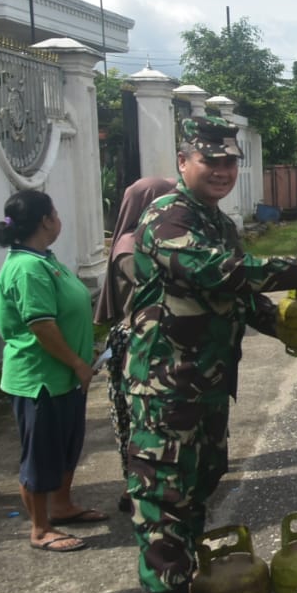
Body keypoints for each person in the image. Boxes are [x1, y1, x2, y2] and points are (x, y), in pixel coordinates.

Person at [124, 116, 297, 593]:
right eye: (209, 160)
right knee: (165, 497)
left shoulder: (217, 222)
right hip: (163, 388)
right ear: (183, 162)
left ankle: (186, 589)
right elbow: (216, 272)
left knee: (197, 488)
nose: (221, 170)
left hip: (206, 383)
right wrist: (294, 270)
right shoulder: (168, 217)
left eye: (229, 162)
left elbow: (240, 298)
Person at [0, 190, 104, 554]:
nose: (59, 219)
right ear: (45, 220)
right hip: (40, 378)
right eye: (55, 213)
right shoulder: (26, 267)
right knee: (40, 455)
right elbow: (41, 325)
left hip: (64, 379)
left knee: (67, 446)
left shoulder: (44, 259)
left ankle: (62, 505)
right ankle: (40, 528)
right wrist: (77, 362)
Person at [94, 177, 175, 514]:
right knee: (139, 420)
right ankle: (137, 487)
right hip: (139, 342)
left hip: (149, 337)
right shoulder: (131, 248)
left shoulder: (145, 241)